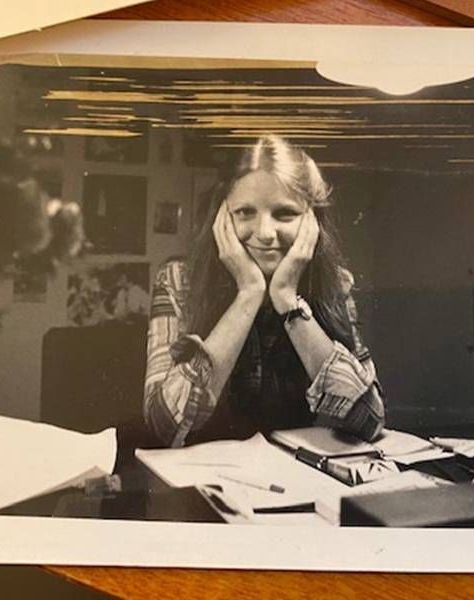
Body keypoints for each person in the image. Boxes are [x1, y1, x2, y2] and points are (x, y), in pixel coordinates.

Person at [143, 135, 385, 448]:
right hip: (200, 478)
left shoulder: (335, 283)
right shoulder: (177, 279)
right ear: (222, 218)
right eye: (245, 212)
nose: (265, 234)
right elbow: (163, 426)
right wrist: (249, 293)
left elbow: (370, 420)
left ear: (311, 222)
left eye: (284, 213)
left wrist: (286, 298)